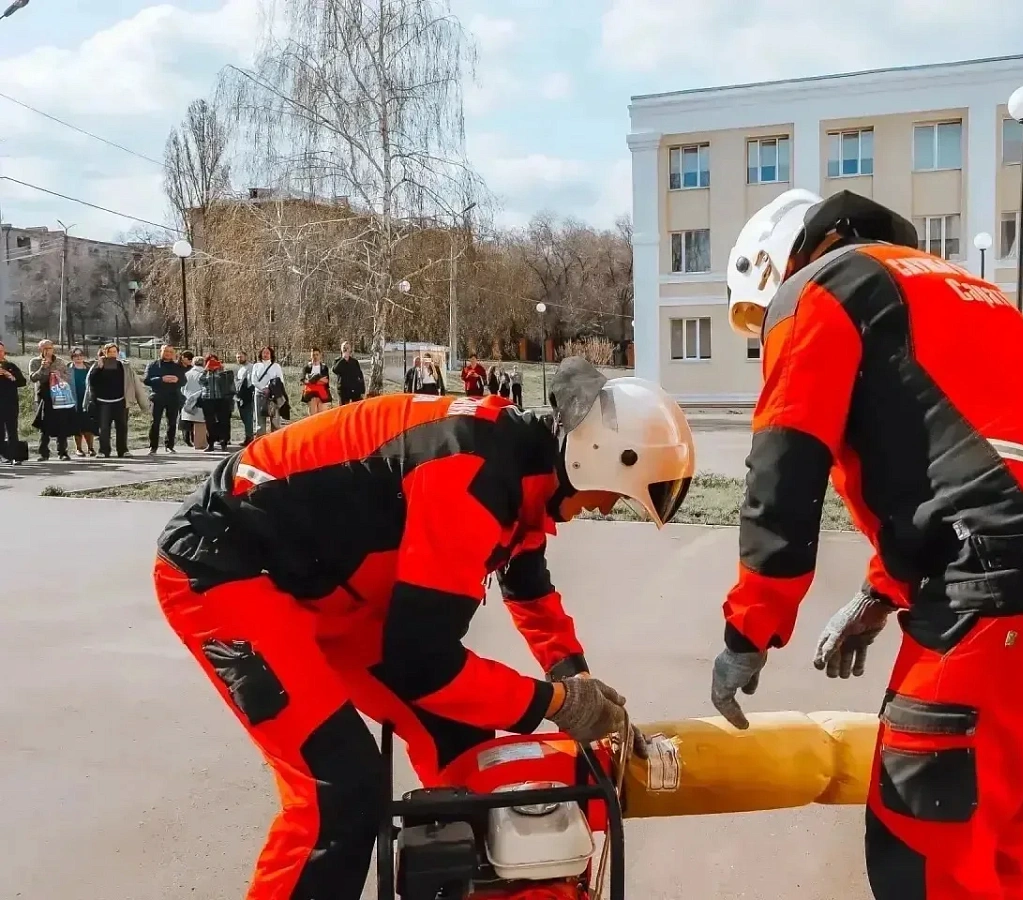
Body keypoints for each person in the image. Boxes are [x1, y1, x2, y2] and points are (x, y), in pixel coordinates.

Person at [707, 189, 1023, 900]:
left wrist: (749, 629)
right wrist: (879, 593)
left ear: (772, 266)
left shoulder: (819, 290)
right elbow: (957, 449)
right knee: (1001, 834)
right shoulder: (954, 286)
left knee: (922, 847)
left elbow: (784, 467)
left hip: (1005, 583)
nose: (762, 332)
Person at [153, 357, 695, 900]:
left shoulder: (522, 466)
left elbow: (528, 589)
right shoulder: (472, 477)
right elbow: (422, 665)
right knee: (339, 790)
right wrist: (555, 703)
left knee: (463, 741)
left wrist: (576, 680)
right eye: (616, 495)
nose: (606, 509)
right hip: (228, 570)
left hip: (326, 589)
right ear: (593, 459)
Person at [84, 342, 148, 459]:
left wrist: (142, 402)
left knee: (122, 427)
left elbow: (134, 382)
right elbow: (91, 382)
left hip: (120, 401)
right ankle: (104, 451)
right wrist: (99, 368)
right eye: (109, 352)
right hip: (103, 402)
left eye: (114, 351)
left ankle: (123, 450)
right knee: (104, 428)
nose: (112, 354)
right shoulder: (97, 365)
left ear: (118, 353)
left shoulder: (124, 366)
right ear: (105, 353)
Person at [28, 339, 75, 461]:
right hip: (43, 396)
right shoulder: (35, 361)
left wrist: (60, 376)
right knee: (44, 426)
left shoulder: (60, 361)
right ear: (40, 349)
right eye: (45, 348)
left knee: (62, 424)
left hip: (59, 396)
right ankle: (43, 453)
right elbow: (33, 378)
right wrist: (42, 368)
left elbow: (68, 377)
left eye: (50, 348)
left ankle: (62, 452)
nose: (48, 351)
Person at [144, 344, 187, 455]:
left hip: (173, 397)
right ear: (161, 352)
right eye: (166, 351)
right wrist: (161, 379)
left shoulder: (178, 366)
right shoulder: (153, 365)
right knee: (155, 422)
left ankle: (169, 446)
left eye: (170, 352)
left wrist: (177, 380)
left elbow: (183, 381)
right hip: (157, 397)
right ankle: (153, 447)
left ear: (173, 354)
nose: (168, 353)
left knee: (172, 422)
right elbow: (146, 380)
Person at [199, 354, 236, 453]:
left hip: (222, 399)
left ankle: (224, 442)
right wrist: (206, 370)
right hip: (208, 399)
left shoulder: (223, 371)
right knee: (210, 422)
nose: (212, 363)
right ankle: (210, 444)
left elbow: (229, 381)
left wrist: (221, 369)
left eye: (214, 361)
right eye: (210, 361)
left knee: (224, 421)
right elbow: (200, 381)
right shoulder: (205, 372)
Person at [0, 340, 27, 465]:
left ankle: (14, 456)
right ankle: (3, 455)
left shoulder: (11, 366)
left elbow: (22, 382)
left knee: (12, 430)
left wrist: (9, 375)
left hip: (10, 403)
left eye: (1, 351)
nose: (0, 353)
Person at [250, 346, 285, 436]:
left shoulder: (276, 366)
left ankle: (276, 440)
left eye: (267, 353)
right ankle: (261, 440)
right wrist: (263, 388)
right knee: (260, 421)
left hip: (273, 396)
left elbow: (280, 381)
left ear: (271, 354)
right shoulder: (256, 366)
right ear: (261, 354)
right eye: (264, 353)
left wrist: (271, 389)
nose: (265, 354)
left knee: (275, 420)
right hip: (259, 395)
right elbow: (254, 380)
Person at [68, 348, 96, 458]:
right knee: (77, 425)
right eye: (75, 355)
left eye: (80, 355)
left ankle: (91, 448)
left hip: (88, 399)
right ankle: (78, 449)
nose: (78, 357)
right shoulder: (68, 369)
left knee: (88, 425)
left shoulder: (90, 368)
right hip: (74, 399)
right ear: (72, 357)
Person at [181, 353, 208, 451]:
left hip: (188, 399)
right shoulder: (204, 374)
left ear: (193, 363)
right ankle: (200, 443)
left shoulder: (187, 374)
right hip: (201, 400)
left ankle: (193, 441)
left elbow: (182, 388)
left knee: (192, 422)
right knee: (201, 423)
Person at [233, 351, 256, 446]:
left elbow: (251, 382)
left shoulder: (251, 367)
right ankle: (248, 436)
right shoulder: (240, 369)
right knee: (243, 417)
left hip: (248, 395)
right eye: (237, 357)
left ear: (246, 356)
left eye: (241, 357)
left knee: (247, 417)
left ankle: (249, 438)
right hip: (240, 395)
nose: (239, 359)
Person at [300, 348, 332, 415]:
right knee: (313, 415)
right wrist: (319, 379)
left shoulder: (324, 368)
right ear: (311, 356)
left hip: (322, 392)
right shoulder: (307, 368)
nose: (315, 357)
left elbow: (326, 380)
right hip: (311, 393)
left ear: (320, 355)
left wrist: (313, 378)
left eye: (317, 354)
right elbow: (304, 380)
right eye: (313, 355)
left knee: (322, 414)